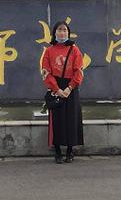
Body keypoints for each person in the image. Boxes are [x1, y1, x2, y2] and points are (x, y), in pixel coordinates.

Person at [41, 21, 84, 164]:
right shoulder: (49, 51)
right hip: (56, 88)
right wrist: (57, 89)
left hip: (70, 88)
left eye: (65, 30)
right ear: (54, 33)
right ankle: (58, 151)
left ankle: (70, 151)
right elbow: (46, 72)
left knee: (72, 119)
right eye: (59, 30)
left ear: (68, 33)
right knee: (57, 121)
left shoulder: (75, 50)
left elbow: (79, 71)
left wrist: (69, 87)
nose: (62, 32)